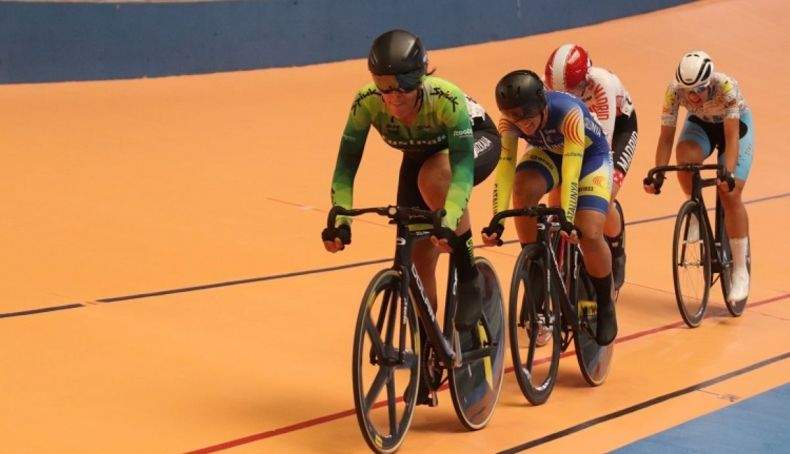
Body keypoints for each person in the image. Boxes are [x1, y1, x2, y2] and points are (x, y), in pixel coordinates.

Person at [323, 29, 501, 330]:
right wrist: (342, 219)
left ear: (420, 79)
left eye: (403, 87)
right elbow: (346, 167)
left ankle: (468, 275)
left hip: (473, 142)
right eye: (384, 87)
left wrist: (450, 221)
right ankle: (429, 342)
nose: (393, 97)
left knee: (435, 178)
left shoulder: (447, 99)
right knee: (419, 258)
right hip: (419, 155)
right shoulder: (366, 102)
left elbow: (460, 171)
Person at [482, 69, 617, 346]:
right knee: (523, 187)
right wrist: (498, 218)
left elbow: (570, 172)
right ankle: (535, 264)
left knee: (589, 232)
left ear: (543, 103)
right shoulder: (510, 123)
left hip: (588, 157)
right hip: (548, 153)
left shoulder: (568, 113)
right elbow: (506, 169)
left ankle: (605, 302)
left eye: (528, 114)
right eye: (515, 116)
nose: (524, 123)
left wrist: (567, 220)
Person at [644, 51, 753, 303]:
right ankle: (695, 212)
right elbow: (666, 138)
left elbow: (732, 137)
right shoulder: (674, 91)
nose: (692, 96)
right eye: (687, 91)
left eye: (699, 90)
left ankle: (739, 270)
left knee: (730, 192)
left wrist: (727, 172)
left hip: (735, 127)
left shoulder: (725, 86)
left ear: (709, 82)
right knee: (684, 159)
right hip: (701, 124)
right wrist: (658, 172)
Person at [545, 44, 638, 290]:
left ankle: (616, 250)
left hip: (617, 130)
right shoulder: (546, 89)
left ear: (586, 80)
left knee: (603, 196)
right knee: (556, 194)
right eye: (559, 92)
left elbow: (603, 150)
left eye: (573, 90)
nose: (567, 96)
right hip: (576, 130)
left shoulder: (602, 85)